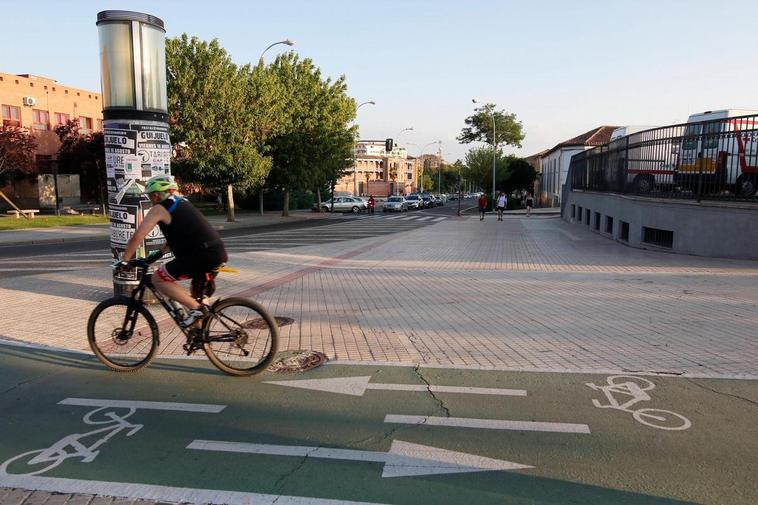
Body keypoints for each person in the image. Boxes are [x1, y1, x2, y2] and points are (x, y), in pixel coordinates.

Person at [117, 175, 228, 327]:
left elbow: (137, 237)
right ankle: (201, 337)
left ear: (156, 195)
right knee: (197, 297)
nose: (150, 199)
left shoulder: (159, 208)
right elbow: (177, 236)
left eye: (150, 196)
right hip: (217, 252)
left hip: (200, 255)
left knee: (158, 279)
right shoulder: (182, 202)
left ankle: (197, 310)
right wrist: (156, 256)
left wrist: (124, 261)